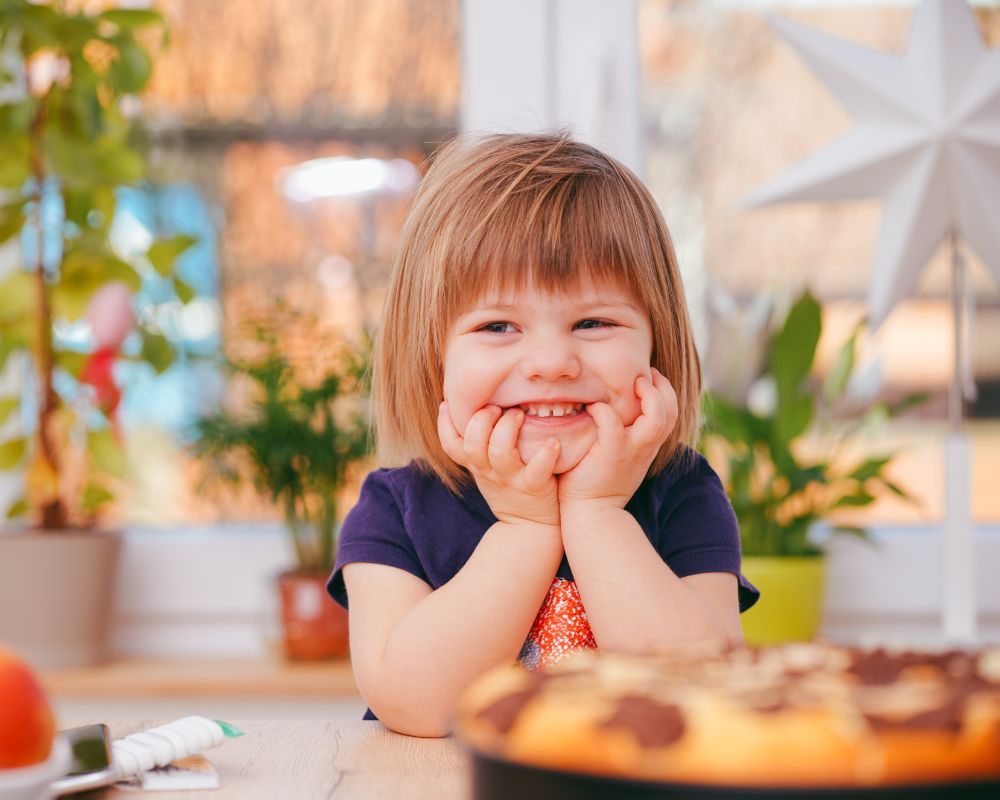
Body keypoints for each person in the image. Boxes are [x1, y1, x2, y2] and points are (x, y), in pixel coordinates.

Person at [327, 132, 759, 738]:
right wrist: (526, 527)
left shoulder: (683, 492)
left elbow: (701, 696)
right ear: (433, 360)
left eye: (594, 321)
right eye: (499, 325)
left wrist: (598, 513)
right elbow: (415, 704)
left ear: (657, 346)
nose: (551, 361)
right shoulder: (395, 508)